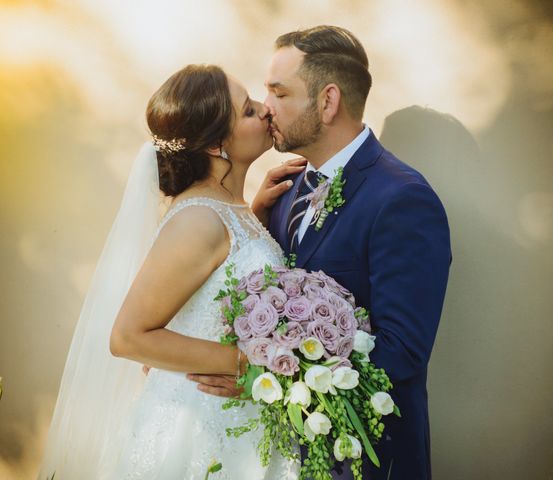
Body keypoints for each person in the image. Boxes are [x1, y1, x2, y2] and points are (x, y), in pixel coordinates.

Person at [195, 26, 452, 480]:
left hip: (364, 460)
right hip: (277, 455)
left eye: (279, 92)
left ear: (327, 101)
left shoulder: (402, 199)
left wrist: (263, 379)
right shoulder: (287, 186)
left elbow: (401, 352)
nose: (266, 107)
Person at [38, 64, 301, 480]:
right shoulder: (199, 218)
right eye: (249, 111)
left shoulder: (228, 209)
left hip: (236, 426)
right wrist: (247, 364)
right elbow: (128, 336)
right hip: (196, 428)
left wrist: (256, 214)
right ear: (217, 144)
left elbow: (219, 279)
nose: (266, 112)